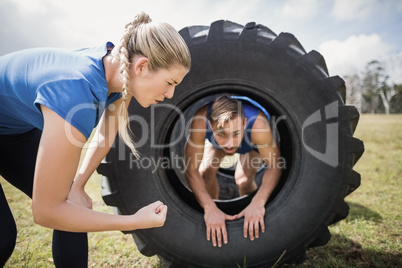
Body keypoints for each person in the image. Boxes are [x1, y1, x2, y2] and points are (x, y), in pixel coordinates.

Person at [0, 12, 190, 267]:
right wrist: (134, 220)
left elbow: (105, 133)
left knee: (72, 207)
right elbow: (45, 213)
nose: (170, 94)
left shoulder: (119, 72)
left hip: (12, 131)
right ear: (142, 66)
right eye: (169, 82)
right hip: (11, 129)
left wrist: (78, 186)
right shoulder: (75, 92)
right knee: (3, 237)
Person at [185, 94, 282, 248]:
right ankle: (215, 217)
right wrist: (209, 208)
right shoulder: (200, 120)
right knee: (206, 173)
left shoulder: (258, 124)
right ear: (210, 125)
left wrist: (259, 202)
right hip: (218, 142)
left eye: (235, 134)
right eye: (222, 134)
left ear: (244, 123)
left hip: (251, 142)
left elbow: (275, 165)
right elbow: (191, 169)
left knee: (243, 181)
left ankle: (251, 217)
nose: (229, 144)